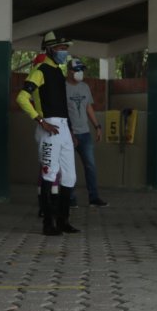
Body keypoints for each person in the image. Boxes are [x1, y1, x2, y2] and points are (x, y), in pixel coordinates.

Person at [16, 31, 81, 235]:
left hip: (63, 128)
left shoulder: (59, 73)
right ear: (50, 49)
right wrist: (40, 121)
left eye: (66, 49)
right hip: (49, 127)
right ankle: (48, 223)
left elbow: (62, 105)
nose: (64, 52)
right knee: (48, 174)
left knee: (69, 177)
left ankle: (63, 221)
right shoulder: (40, 70)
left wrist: (70, 131)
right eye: (61, 48)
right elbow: (22, 98)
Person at [66, 59, 109, 207]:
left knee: (90, 166)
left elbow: (88, 107)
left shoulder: (85, 87)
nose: (80, 73)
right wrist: (69, 132)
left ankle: (94, 198)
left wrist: (97, 126)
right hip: (68, 135)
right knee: (69, 168)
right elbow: (61, 112)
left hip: (85, 134)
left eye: (81, 70)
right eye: (77, 70)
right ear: (69, 71)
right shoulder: (62, 88)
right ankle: (70, 199)